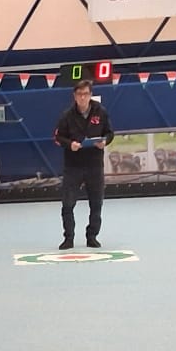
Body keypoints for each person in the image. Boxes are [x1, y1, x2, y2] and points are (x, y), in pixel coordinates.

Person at [53, 81, 112, 249]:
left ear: (90, 94)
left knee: (96, 203)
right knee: (68, 204)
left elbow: (110, 132)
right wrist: (70, 144)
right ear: (74, 96)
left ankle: (92, 236)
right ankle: (68, 238)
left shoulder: (101, 112)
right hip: (73, 165)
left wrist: (105, 141)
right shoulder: (67, 115)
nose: (83, 97)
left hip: (95, 164)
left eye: (86, 94)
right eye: (79, 94)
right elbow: (58, 137)